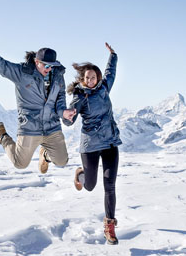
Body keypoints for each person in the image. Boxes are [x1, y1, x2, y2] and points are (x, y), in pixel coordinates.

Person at [0, 27, 76, 173]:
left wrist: (63, 112)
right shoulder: (22, 73)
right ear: (36, 61)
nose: (49, 69)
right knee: (20, 164)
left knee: (62, 161)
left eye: (52, 66)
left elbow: (60, 99)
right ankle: (1, 135)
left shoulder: (58, 76)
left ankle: (45, 154)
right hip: (30, 127)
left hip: (51, 126)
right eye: (46, 65)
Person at [64, 42, 121, 245]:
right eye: (87, 77)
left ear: (97, 78)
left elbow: (110, 72)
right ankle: (80, 174)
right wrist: (68, 117)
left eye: (93, 77)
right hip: (90, 146)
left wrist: (113, 55)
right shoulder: (79, 97)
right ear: (83, 79)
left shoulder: (104, 87)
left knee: (110, 185)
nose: (90, 80)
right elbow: (68, 119)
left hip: (110, 143)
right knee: (89, 186)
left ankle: (109, 226)